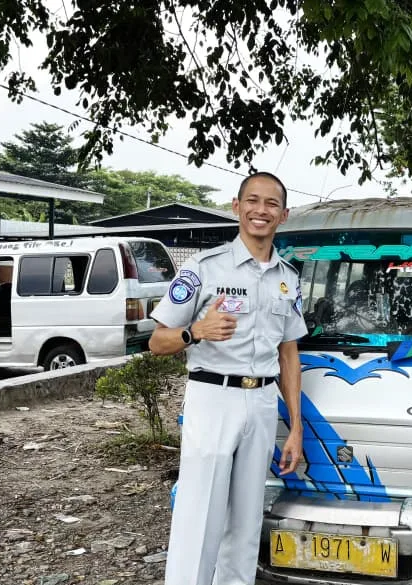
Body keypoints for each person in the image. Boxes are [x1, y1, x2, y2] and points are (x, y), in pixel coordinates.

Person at [148, 172, 306, 585]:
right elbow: (157, 341)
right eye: (252, 200)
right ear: (237, 207)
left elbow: (289, 353)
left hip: (262, 401)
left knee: (247, 522)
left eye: (271, 204)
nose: (261, 210)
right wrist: (195, 331)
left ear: (283, 215)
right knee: (199, 515)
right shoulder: (204, 268)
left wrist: (295, 427)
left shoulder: (289, 278)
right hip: (213, 397)